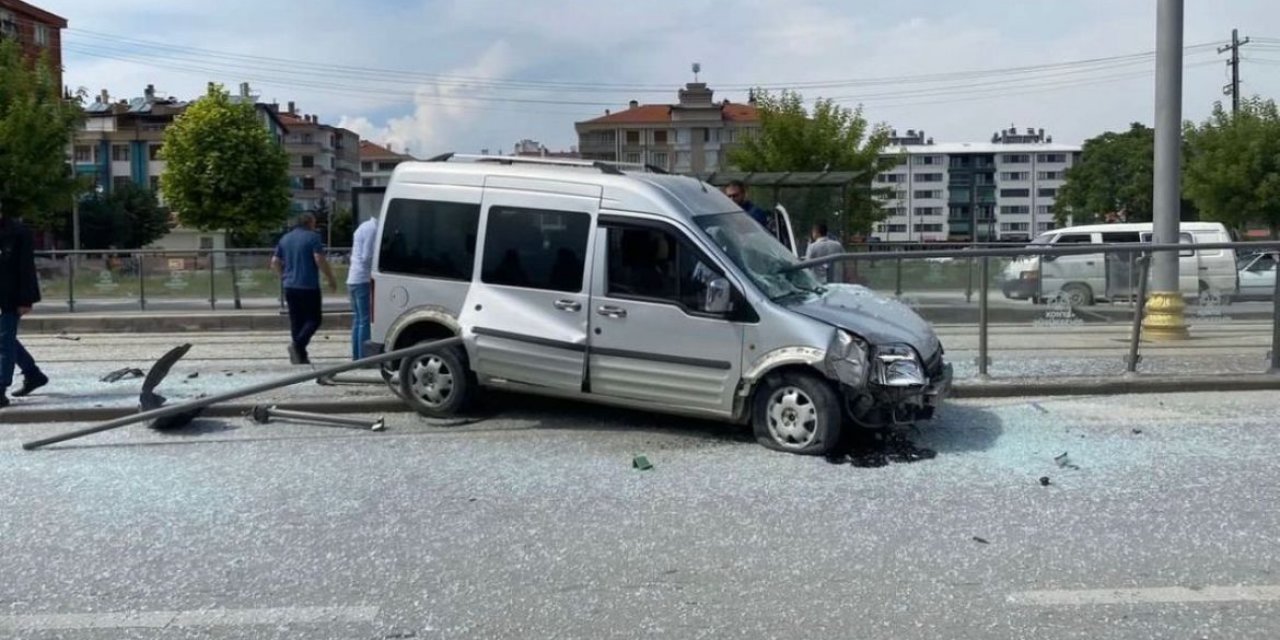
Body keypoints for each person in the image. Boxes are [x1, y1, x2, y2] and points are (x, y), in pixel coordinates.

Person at [271, 213, 337, 365]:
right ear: (309, 222)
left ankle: (300, 356)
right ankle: (297, 346)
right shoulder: (313, 237)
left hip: (290, 285)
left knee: (296, 321)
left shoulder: (285, 238)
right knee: (314, 319)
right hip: (308, 285)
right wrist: (330, 278)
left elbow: (274, 261)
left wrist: (283, 276)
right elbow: (319, 258)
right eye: (314, 222)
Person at [0, 208, 48, 408]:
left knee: (4, 341)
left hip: (10, 297)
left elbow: (26, 268)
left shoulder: (18, 232)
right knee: (5, 339)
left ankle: (0, 388)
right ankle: (32, 374)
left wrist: (25, 300)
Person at [346, 216, 379, 361]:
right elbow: (367, 256)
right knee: (365, 320)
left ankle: (356, 355)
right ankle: (363, 357)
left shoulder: (363, 227)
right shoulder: (373, 229)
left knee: (358, 319)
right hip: (363, 279)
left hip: (353, 278)